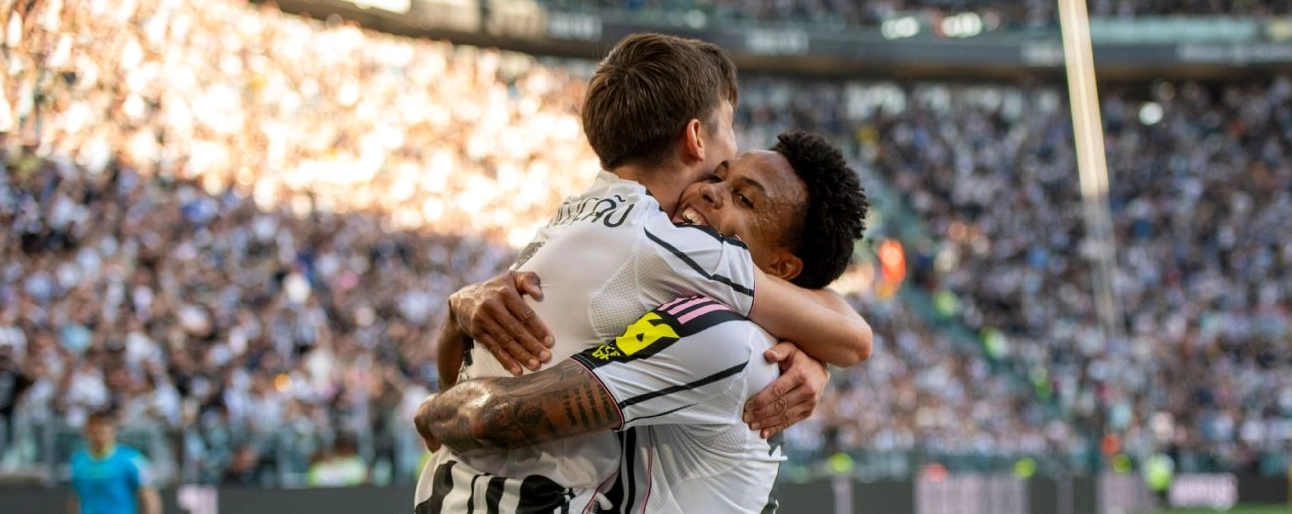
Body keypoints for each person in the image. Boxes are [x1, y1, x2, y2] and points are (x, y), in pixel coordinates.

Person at [415, 34, 871, 514]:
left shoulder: (570, 220)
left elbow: (473, 390)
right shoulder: (671, 250)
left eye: (743, 197)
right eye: (730, 132)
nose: (715, 185)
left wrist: (440, 386)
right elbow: (852, 338)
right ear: (696, 138)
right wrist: (815, 352)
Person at [68, 410, 161, 514]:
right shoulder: (78, 460)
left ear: (113, 430)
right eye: (95, 426)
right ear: (87, 430)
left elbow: (149, 495)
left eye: (104, 426)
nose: (99, 431)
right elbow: (76, 497)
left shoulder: (131, 459)